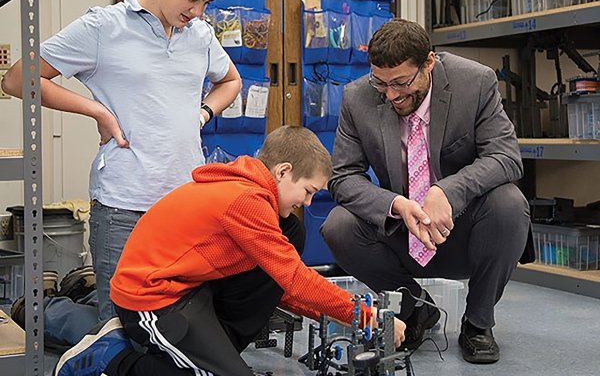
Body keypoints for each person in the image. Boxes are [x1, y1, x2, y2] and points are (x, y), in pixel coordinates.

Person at [52, 126, 406, 376]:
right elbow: (295, 279)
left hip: (189, 291)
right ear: (284, 171)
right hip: (152, 299)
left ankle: (194, 348)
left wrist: (328, 314)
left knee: (290, 232)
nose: (307, 202)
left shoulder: (252, 195)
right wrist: (366, 316)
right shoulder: (245, 201)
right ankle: (111, 356)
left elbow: (279, 285)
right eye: (308, 190)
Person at [1, 0, 242, 322]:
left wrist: (202, 114)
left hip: (184, 205)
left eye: (207, 3)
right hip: (123, 205)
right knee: (118, 325)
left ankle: (68, 301)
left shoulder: (200, 35)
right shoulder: (104, 26)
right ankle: (45, 313)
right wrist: (96, 110)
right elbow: (18, 78)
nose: (198, 11)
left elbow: (231, 80)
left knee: (173, 326)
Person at [320, 18, 535, 364]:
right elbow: (343, 177)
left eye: (401, 82)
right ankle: (415, 309)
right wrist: (396, 205)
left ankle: (478, 323)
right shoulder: (356, 97)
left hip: (463, 229)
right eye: (381, 83)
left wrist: (447, 191)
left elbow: (506, 157)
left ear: (429, 63)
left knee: (510, 203)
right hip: (401, 231)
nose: (391, 94)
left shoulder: (475, 82)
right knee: (338, 224)